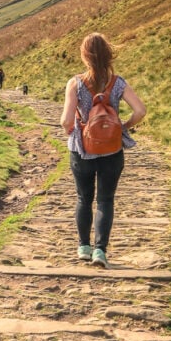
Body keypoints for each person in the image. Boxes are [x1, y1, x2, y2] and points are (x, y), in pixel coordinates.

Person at [60, 32, 146, 268]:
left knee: (83, 198)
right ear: (109, 53)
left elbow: (65, 120)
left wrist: (72, 131)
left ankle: (83, 247)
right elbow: (140, 110)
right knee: (105, 200)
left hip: (82, 151)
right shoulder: (118, 83)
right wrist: (124, 127)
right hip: (112, 150)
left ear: (84, 55)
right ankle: (100, 250)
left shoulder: (75, 83)